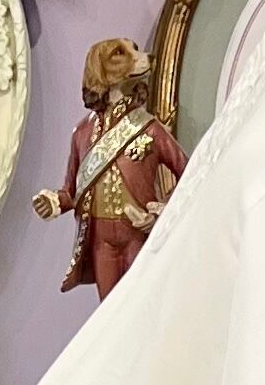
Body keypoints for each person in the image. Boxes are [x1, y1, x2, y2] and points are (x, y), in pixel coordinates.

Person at [33, 36, 184, 298]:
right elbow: (72, 191)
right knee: (109, 310)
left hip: (137, 232)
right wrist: (54, 202)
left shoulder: (149, 128)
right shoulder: (82, 134)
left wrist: (160, 212)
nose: (137, 57)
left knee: (142, 302)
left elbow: (189, 172)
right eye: (120, 54)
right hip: (100, 239)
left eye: (133, 51)